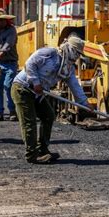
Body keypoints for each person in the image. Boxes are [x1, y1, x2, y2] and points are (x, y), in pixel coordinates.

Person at [11, 36, 91, 164]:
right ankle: (32, 155)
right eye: (77, 52)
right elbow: (30, 64)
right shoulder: (49, 53)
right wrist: (36, 82)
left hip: (38, 94)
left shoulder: (68, 68)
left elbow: (75, 86)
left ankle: (42, 150)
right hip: (23, 89)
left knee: (48, 115)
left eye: (79, 54)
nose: (77, 56)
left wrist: (85, 103)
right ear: (69, 48)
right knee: (29, 122)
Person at [0, 9, 19, 122]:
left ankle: (12, 111)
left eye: (3, 20)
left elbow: (8, 45)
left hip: (10, 63)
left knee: (8, 86)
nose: (1, 22)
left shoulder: (11, 30)